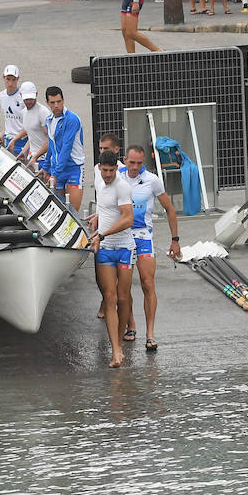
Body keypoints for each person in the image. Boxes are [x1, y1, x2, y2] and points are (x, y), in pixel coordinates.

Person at [122, 144, 180, 354]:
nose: (135, 167)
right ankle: (131, 326)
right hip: (122, 237)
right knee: (124, 286)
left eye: (139, 163)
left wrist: (175, 240)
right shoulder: (116, 176)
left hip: (143, 237)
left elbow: (170, 210)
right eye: (132, 162)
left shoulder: (152, 180)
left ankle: (150, 333)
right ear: (125, 160)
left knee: (148, 284)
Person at [89, 150, 135, 368]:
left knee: (123, 297)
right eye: (104, 170)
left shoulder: (123, 187)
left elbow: (128, 219)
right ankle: (116, 351)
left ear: (117, 169)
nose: (108, 174)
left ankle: (119, 343)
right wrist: (98, 217)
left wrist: (103, 233)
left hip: (125, 247)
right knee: (110, 298)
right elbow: (105, 208)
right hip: (105, 248)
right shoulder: (99, 181)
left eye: (111, 170)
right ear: (100, 168)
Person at [45, 85, 85, 211]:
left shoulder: (72, 119)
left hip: (73, 169)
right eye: (52, 102)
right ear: (47, 103)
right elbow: (52, 145)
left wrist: (55, 175)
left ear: (63, 100)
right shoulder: (49, 120)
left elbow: (66, 149)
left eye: (59, 101)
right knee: (58, 211)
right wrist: (45, 167)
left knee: (73, 213)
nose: (56, 105)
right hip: (58, 170)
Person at [14, 82, 52, 170]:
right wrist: (25, 150)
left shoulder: (43, 112)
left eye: (31, 99)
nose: (29, 102)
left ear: (36, 94)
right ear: (20, 95)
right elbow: (33, 134)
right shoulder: (24, 112)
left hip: (44, 160)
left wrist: (36, 156)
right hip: (32, 158)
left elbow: (51, 139)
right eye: (26, 99)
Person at [0, 64, 26, 151]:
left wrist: (15, 139)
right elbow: (7, 117)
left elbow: (30, 123)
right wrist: (3, 132)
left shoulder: (23, 97)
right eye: (8, 79)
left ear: (17, 79)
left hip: (22, 141)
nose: (10, 83)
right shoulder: (1, 96)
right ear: (3, 78)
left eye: (13, 80)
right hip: (8, 140)